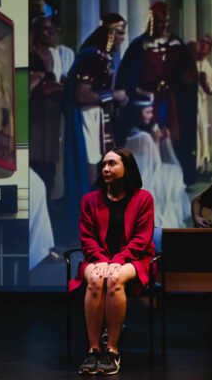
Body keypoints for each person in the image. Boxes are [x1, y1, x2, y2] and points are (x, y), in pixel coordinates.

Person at [68, 147, 155, 375]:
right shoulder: (89, 200)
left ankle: (112, 350)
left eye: (112, 164)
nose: (106, 169)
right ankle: (93, 349)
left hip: (133, 258)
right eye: (104, 164)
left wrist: (117, 260)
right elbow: (86, 237)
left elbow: (142, 238)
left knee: (115, 278)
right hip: (97, 258)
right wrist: (101, 260)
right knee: (96, 278)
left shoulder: (143, 198)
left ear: (127, 168)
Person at [116, 1, 198, 186]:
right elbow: (127, 76)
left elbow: (188, 73)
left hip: (171, 99)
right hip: (145, 101)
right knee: (150, 139)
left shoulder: (177, 44)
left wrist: (184, 79)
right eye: (160, 21)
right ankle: (149, 181)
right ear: (151, 21)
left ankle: (172, 183)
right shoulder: (139, 45)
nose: (164, 25)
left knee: (171, 137)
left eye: (167, 21)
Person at [63, 13, 129, 241]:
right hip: (89, 121)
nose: (122, 37)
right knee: (92, 174)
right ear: (109, 33)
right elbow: (82, 94)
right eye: (119, 32)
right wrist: (114, 96)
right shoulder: (91, 57)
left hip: (101, 121)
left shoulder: (104, 56)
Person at [124, 93, 190, 228]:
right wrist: (159, 140)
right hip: (148, 178)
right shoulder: (145, 138)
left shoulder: (129, 134)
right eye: (147, 112)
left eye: (151, 112)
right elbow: (155, 163)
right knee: (175, 173)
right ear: (138, 113)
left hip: (136, 178)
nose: (150, 116)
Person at [28, 15, 74, 204]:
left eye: (53, 30)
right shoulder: (29, 53)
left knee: (51, 160)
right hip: (35, 113)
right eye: (45, 29)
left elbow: (62, 81)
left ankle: (49, 200)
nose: (50, 33)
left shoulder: (58, 54)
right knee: (35, 157)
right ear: (36, 30)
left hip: (54, 114)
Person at [191, 35, 212, 175]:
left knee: (202, 131)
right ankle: (195, 165)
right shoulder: (190, 61)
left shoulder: (207, 67)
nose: (203, 47)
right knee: (194, 132)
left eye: (206, 45)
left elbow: (208, 88)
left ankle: (202, 163)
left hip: (200, 102)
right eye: (202, 43)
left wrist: (207, 85)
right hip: (189, 101)